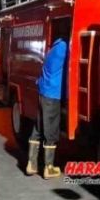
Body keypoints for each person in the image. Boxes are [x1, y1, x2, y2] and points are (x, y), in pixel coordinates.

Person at [26, 37, 68, 179]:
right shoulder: (63, 47)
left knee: (38, 127)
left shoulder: (52, 50)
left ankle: (31, 164)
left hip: (43, 92)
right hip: (53, 94)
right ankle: (48, 168)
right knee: (51, 130)